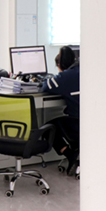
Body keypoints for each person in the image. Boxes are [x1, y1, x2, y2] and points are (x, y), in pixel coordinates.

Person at [42, 46, 80, 175]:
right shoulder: (87, 71)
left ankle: (71, 155)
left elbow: (45, 87)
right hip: (95, 123)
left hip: (77, 124)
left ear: (59, 65)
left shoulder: (65, 76)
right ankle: (76, 152)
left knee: (48, 128)